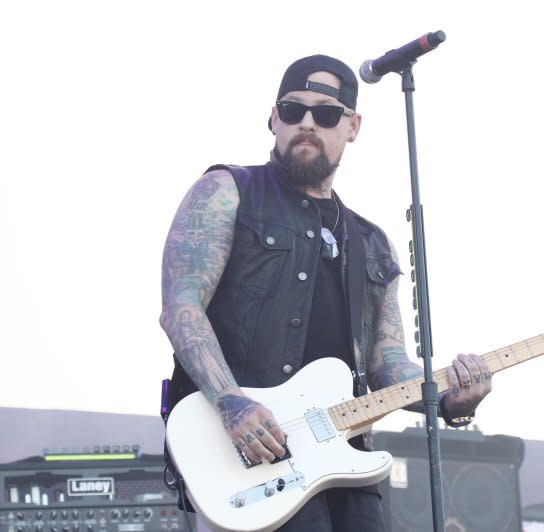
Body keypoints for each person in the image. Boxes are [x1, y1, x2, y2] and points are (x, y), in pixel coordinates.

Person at [159, 54, 493, 531]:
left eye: (327, 113)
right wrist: (232, 402)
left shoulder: (372, 243)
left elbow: (387, 364)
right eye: (293, 110)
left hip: (344, 462)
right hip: (251, 455)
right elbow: (181, 308)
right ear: (273, 119)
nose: (308, 123)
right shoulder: (227, 191)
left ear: (353, 126)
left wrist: (448, 397)